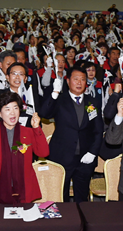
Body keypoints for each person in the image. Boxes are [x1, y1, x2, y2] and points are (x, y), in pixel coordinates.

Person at [41, 66, 103, 202]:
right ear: (67, 81)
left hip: (85, 158)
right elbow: (44, 114)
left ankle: (82, 221)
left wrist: (92, 153)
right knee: (60, 195)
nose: (79, 83)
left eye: (83, 79)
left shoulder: (92, 102)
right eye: (76, 79)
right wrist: (54, 93)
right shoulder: (59, 100)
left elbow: (98, 131)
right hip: (62, 156)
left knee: (82, 197)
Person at [0, 92, 49, 204]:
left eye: (15, 108)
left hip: (23, 188)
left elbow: (43, 153)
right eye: (7, 109)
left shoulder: (28, 132)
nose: (12, 113)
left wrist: (36, 128)